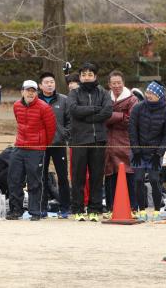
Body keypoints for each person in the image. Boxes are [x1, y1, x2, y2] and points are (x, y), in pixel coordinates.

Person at [68, 62, 113, 222]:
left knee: (96, 176)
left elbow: (107, 111)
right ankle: (78, 209)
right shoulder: (74, 93)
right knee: (78, 177)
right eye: (83, 74)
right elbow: (74, 110)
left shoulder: (103, 92)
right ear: (80, 77)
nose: (86, 77)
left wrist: (88, 116)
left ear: (95, 76)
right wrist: (94, 108)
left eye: (90, 74)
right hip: (79, 140)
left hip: (98, 140)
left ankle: (95, 209)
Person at [7, 80, 56, 221]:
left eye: (33, 91)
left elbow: (51, 129)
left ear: (36, 93)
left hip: (36, 149)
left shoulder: (44, 107)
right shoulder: (16, 105)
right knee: (14, 179)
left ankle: (35, 211)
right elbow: (19, 122)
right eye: (27, 90)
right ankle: (16, 210)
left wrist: (42, 145)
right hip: (19, 146)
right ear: (22, 91)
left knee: (34, 181)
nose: (30, 93)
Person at [128, 81, 166, 221]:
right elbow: (132, 129)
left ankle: (156, 210)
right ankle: (141, 210)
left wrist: (159, 153)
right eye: (147, 92)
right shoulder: (138, 108)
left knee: (155, 180)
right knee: (138, 180)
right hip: (139, 152)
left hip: (155, 152)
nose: (148, 95)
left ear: (159, 95)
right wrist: (136, 150)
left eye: (152, 93)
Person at [38, 72, 71, 218]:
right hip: (41, 145)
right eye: (46, 82)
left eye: (52, 82)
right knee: (41, 177)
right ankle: (42, 207)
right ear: (40, 85)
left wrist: (64, 134)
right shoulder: (36, 100)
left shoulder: (64, 100)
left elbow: (70, 121)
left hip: (58, 143)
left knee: (63, 177)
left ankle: (65, 208)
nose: (50, 84)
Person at [104, 70, 138, 212]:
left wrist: (111, 117)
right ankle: (111, 207)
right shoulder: (105, 98)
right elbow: (101, 117)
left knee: (128, 172)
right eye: (113, 83)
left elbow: (131, 120)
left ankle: (132, 206)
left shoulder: (132, 99)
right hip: (108, 142)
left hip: (125, 141)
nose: (116, 86)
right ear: (109, 84)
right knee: (109, 173)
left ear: (123, 83)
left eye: (119, 83)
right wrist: (120, 116)